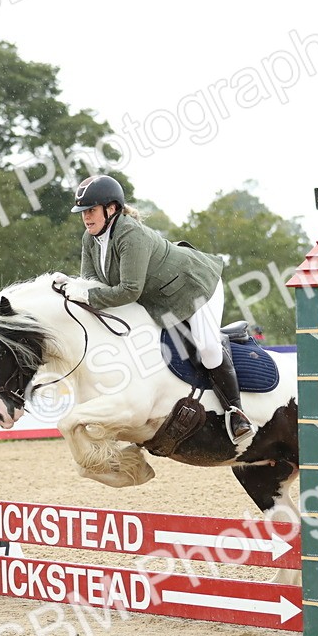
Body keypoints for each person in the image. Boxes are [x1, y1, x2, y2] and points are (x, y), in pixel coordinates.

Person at [64, 174, 254, 442]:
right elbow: (90, 283)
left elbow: (129, 290)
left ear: (111, 208)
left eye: (91, 210)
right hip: (160, 301)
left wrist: (87, 294)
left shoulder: (130, 234)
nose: (86, 217)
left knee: (208, 347)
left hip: (196, 287)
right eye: (83, 212)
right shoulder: (90, 238)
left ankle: (236, 413)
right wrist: (71, 288)